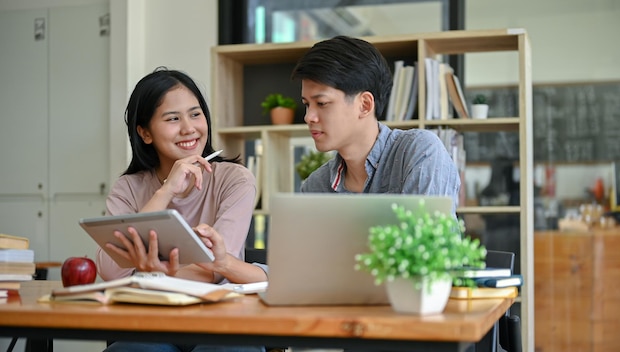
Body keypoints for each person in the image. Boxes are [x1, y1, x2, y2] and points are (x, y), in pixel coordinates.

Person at [97, 67, 266, 352]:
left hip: (221, 325)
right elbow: (112, 270)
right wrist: (166, 191)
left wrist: (145, 276)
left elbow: (213, 267)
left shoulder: (235, 179)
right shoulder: (128, 188)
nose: (189, 128)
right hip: (151, 325)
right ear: (145, 133)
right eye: (173, 119)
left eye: (195, 114)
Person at [291, 36, 460, 211]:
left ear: (365, 105)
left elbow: (429, 237)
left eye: (321, 103)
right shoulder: (315, 187)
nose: (309, 117)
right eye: (306, 104)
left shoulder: (420, 152)